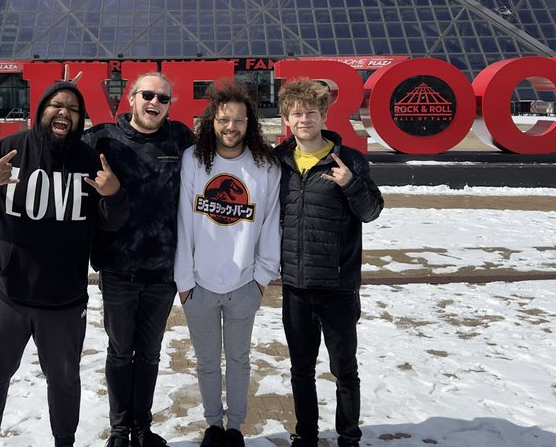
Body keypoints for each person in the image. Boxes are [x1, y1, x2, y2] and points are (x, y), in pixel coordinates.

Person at [0, 80, 129, 447]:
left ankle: (64, 441)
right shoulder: (8, 150)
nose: (63, 112)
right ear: (41, 111)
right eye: (56, 104)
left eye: (73, 108)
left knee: (65, 382)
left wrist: (114, 195)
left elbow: (112, 223)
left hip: (64, 302)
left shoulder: (89, 162)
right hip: (6, 295)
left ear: (81, 119)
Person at [83, 72, 195, 447]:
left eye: (163, 99)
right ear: (130, 98)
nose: (155, 103)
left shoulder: (180, 139)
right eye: (148, 95)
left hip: (162, 272)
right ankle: (119, 429)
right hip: (118, 269)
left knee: (148, 354)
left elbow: (225, 156)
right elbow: (57, 155)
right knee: (119, 352)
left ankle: (141, 428)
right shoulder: (102, 139)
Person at [274, 78, 384, 447]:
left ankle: (348, 437)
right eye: (296, 113)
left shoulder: (349, 160)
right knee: (301, 370)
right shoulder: (280, 162)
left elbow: (371, 212)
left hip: (338, 286)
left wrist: (351, 183)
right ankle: (305, 435)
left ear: (323, 115)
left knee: (344, 371)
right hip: (296, 286)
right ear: (287, 119)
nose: (303, 119)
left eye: (310, 112)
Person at [173, 79, 281, 447]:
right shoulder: (194, 160)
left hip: (243, 286)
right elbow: (184, 223)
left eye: (238, 120)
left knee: (238, 361)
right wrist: (185, 283)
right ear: (212, 121)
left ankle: (235, 428)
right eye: (223, 119)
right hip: (199, 286)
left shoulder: (265, 167)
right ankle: (212, 426)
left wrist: (262, 278)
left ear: (250, 123)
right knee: (206, 363)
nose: (230, 127)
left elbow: (269, 225)